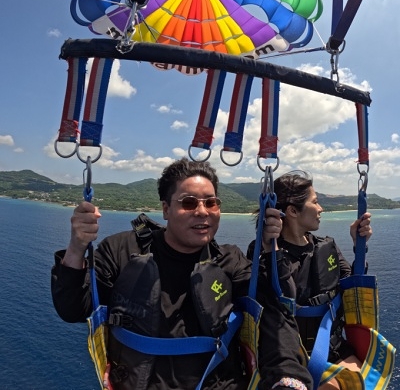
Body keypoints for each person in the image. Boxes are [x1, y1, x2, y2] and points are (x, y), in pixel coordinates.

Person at [51, 158, 313, 390]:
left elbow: (275, 310)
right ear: (166, 209)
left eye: (211, 203)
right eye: (188, 203)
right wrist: (77, 247)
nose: (202, 211)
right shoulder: (121, 250)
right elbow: (72, 309)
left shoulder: (229, 260)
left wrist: (287, 378)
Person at [247, 171, 372, 390]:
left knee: (364, 382)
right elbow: (282, 296)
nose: (320, 208)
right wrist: (271, 247)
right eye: (315, 202)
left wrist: (359, 246)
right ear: (293, 211)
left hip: (332, 348)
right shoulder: (264, 253)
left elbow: (352, 287)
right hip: (288, 356)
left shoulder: (326, 246)